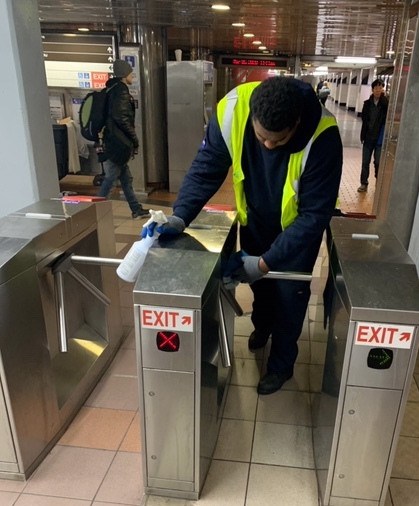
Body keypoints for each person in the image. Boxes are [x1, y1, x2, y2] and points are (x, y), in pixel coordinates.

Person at [159, 77, 342, 395]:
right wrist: (180, 216)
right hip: (256, 219)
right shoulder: (232, 110)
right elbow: (207, 166)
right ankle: (262, 328)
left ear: (296, 123)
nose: (269, 146)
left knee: (290, 297)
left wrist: (266, 261)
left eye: (278, 140)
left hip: (297, 231)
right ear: (253, 118)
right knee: (261, 289)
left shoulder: (323, 136)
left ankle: (282, 365)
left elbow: (314, 215)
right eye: (261, 138)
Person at [98, 59, 149, 219]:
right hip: (118, 143)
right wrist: (135, 140)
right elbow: (122, 118)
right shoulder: (121, 90)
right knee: (111, 179)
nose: (132, 75)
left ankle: (136, 209)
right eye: (129, 72)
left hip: (113, 141)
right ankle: (95, 211)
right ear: (123, 74)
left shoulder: (110, 88)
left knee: (126, 179)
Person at [357, 79, 389, 192]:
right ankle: (363, 183)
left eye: (380, 88)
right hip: (368, 137)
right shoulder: (367, 104)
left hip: (379, 139)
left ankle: (378, 182)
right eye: (376, 88)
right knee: (365, 162)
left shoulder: (386, 104)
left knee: (378, 162)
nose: (378, 90)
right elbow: (364, 119)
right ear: (373, 89)